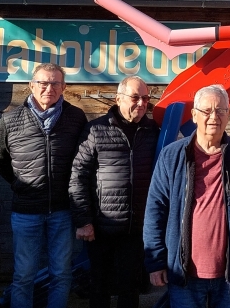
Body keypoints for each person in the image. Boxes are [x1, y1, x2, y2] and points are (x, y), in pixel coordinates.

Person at [143, 84, 230, 308]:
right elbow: (155, 211)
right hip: (183, 272)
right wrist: (155, 262)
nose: (214, 117)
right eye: (207, 111)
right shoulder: (172, 156)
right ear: (194, 115)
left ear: (228, 115)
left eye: (221, 110)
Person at [0, 63, 87, 308]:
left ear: (64, 87)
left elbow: (83, 161)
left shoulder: (76, 117)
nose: (49, 88)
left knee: (61, 273)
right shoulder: (10, 119)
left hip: (63, 210)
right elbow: (1, 159)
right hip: (25, 210)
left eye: (55, 83)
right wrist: (18, 185)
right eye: (43, 83)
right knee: (23, 275)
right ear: (31, 86)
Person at [69, 76, 159, 308]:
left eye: (146, 98)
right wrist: (83, 221)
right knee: (99, 287)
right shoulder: (96, 130)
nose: (141, 103)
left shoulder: (154, 132)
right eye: (135, 97)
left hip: (137, 228)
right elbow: (78, 177)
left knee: (130, 288)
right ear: (118, 98)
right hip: (101, 228)